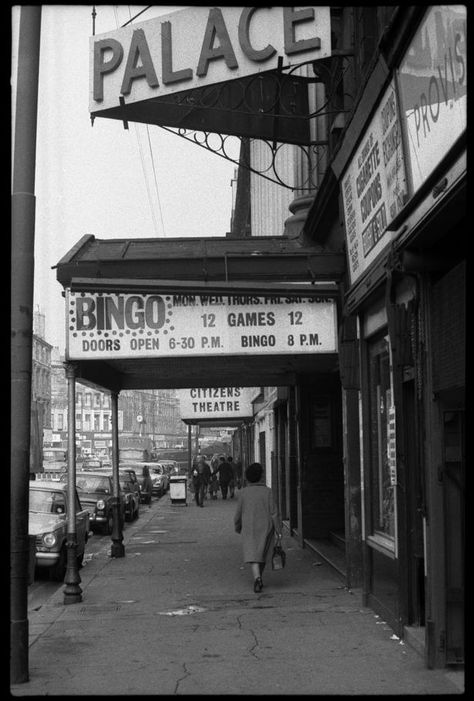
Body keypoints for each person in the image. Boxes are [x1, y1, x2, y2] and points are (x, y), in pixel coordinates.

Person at [234, 462, 282, 593]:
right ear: (261, 476)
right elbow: (274, 512)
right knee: (263, 553)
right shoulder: (268, 492)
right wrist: (278, 529)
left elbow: (238, 513)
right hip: (266, 527)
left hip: (249, 527)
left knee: (253, 554)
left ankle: (257, 578)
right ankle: (259, 577)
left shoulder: (243, 493)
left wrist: (237, 526)